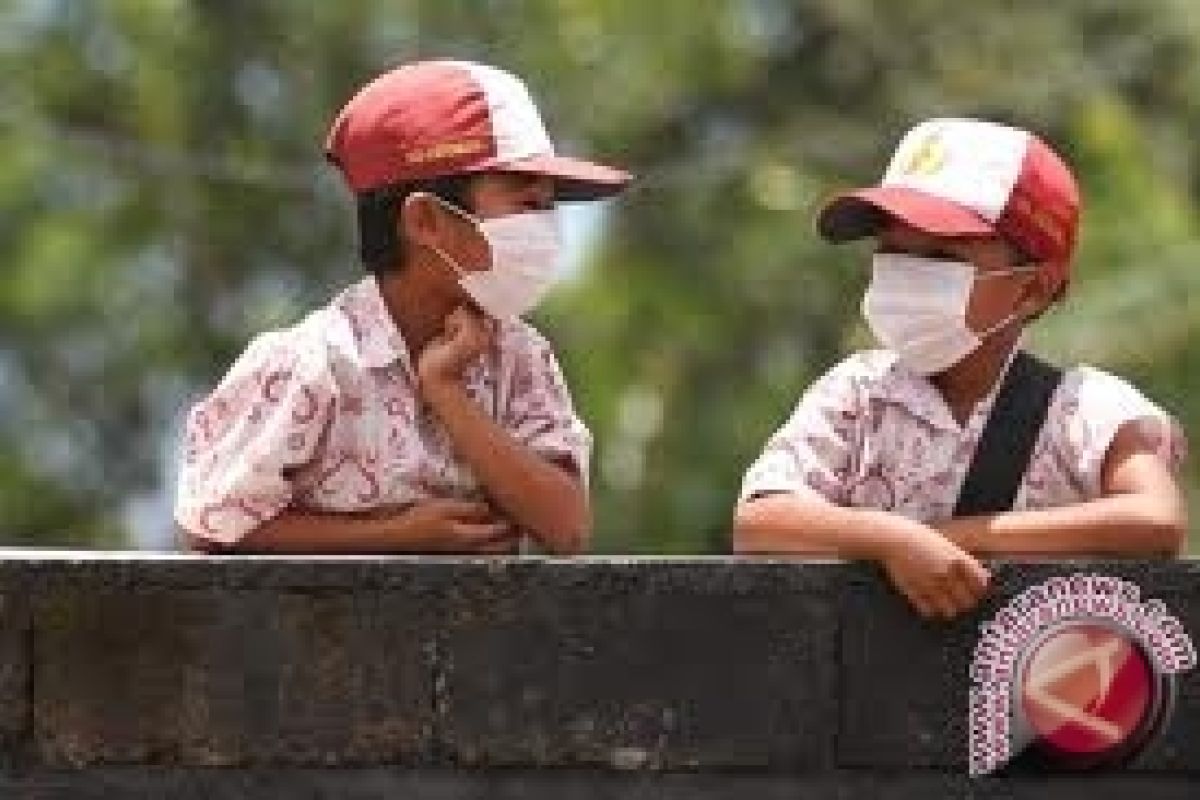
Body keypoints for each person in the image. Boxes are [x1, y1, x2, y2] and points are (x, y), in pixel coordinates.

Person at [733, 118, 1188, 619]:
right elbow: (760, 521)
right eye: (892, 251)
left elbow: (1154, 520)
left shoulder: (1090, 409)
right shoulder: (856, 394)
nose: (907, 274)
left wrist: (948, 541)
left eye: (940, 256)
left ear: (1032, 288)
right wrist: (891, 540)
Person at [175, 60, 631, 554]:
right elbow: (212, 527)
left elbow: (567, 528)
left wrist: (448, 394)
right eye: (528, 206)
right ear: (426, 221)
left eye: (550, 207)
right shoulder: (312, 366)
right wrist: (393, 538)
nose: (549, 231)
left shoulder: (520, 357)